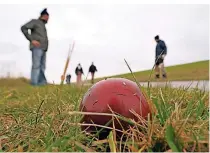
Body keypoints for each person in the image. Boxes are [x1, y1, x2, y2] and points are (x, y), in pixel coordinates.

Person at [21, 8, 49, 86]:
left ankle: (41, 83)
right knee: (36, 65)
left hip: (43, 49)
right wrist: (31, 40)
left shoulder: (43, 25)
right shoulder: (35, 22)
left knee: (42, 66)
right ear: (44, 16)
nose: (48, 19)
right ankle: (34, 83)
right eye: (47, 17)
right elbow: (23, 28)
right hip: (37, 47)